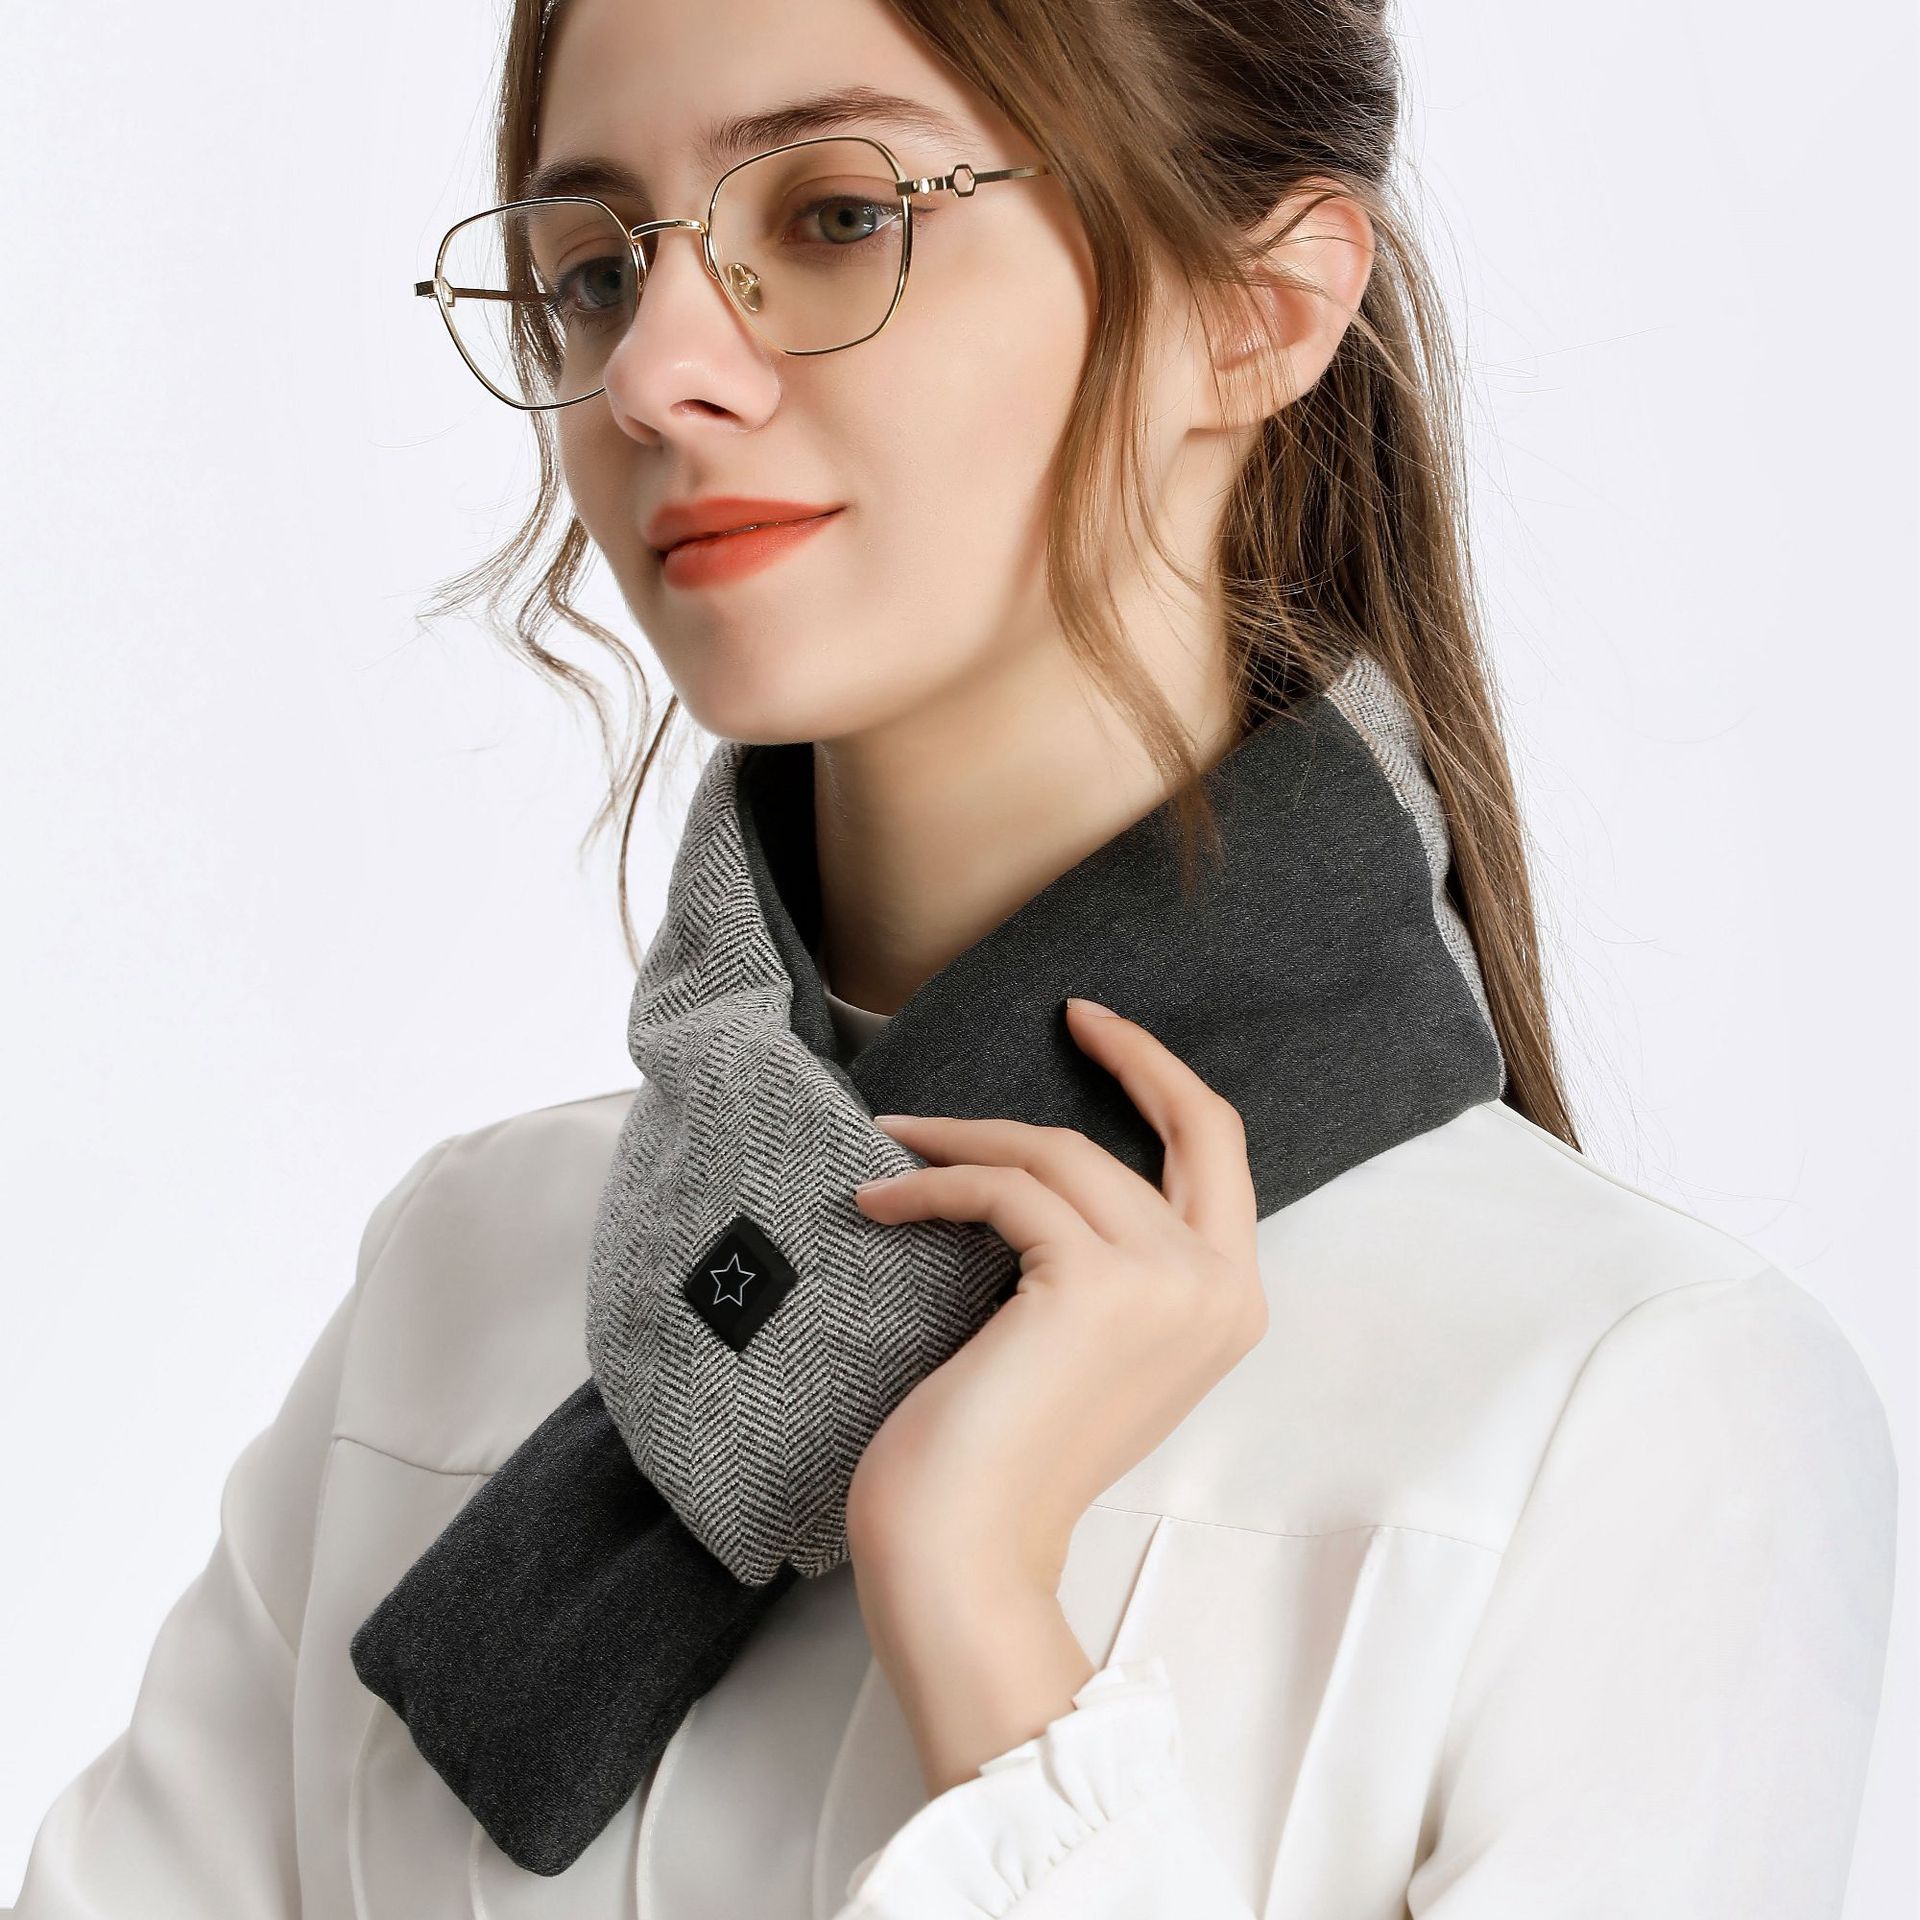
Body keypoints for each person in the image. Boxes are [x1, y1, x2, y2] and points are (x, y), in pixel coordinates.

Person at [6, 0, 1898, 1913]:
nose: (654, 371)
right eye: (593, 270)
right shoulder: (464, 1282)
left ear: (1258, 310)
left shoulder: (1641, 1414)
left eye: (840, 215)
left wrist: (985, 1622)